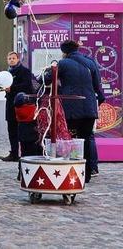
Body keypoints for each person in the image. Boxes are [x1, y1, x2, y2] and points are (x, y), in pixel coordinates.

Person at [57, 40, 105, 184]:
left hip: (71, 107)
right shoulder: (90, 62)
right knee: (87, 137)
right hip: (89, 107)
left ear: (64, 52)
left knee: (71, 138)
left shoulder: (63, 63)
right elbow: (97, 86)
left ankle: (73, 169)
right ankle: (88, 172)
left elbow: (48, 78)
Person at [2, 51, 34, 162]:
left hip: (22, 105)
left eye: (13, 58)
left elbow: (27, 86)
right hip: (10, 104)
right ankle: (14, 152)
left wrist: (13, 88)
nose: (11, 60)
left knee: (22, 131)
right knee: (11, 130)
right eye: (9, 58)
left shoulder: (24, 71)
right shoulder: (7, 73)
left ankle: (24, 152)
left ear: (18, 59)